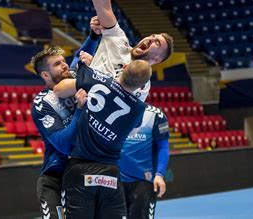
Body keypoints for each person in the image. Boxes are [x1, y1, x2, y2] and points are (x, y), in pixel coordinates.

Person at [70, 0, 174, 101]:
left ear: (157, 59)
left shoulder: (141, 82)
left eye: (157, 43)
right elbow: (103, 6)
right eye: (153, 36)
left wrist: (92, 70)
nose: (151, 38)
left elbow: (108, 100)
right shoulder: (119, 40)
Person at [54, 60, 152, 219]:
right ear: (142, 86)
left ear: (124, 67)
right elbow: (133, 129)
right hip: (110, 173)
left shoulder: (94, 76)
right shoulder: (139, 109)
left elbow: (58, 90)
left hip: (80, 169)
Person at [30, 46, 87, 219]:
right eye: (57, 64)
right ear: (46, 75)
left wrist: (93, 34)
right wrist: (78, 109)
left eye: (64, 61)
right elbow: (63, 145)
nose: (64, 65)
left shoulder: (76, 79)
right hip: (56, 177)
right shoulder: (43, 103)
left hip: (85, 173)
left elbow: (81, 53)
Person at [119, 105, 170, 219]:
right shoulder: (110, 110)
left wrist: (159, 175)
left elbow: (163, 147)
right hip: (115, 181)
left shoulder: (156, 115)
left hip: (144, 182)